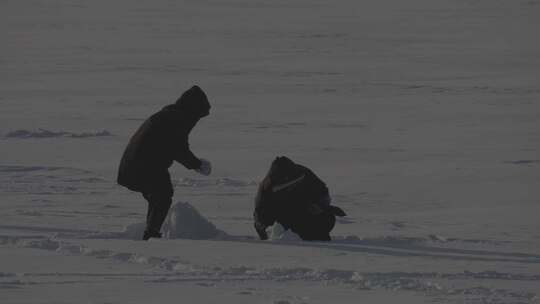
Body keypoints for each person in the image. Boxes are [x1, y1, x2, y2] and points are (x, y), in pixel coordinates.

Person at [117, 85, 212, 240]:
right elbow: (177, 148)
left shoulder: (172, 115)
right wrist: (197, 165)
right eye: (199, 115)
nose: (198, 120)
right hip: (141, 166)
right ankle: (152, 235)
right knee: (162, 194)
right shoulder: (177, 119)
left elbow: (177, 145)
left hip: (137, 165)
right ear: (193, 110)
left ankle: (151, 232)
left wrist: (195, 163)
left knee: (159, 196)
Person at [254, 156, 346, 241]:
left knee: (327, 219)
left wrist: (321, 206)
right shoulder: (266, 190)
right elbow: (260, 219)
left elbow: (323, 193)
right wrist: (263, 232)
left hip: (307, 212)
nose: (291, 188)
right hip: (285, 219)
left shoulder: (305, 174)